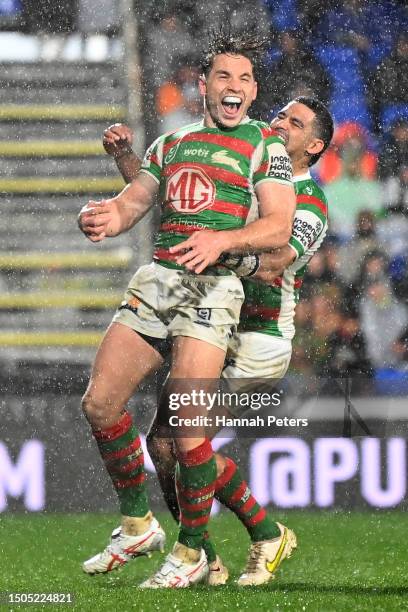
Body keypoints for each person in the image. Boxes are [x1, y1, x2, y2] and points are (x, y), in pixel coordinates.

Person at [78, 29, 296, 589]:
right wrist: (106, 215)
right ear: (204, 85)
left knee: (187, 434)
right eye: (225, 76)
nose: (235, 87)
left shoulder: (265, 146)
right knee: (100, 404)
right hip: (158, 282)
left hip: (214, 290)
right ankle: (137, 523)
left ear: (252, 91)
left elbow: (278, 227)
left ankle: (193, 550)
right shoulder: (173, 142)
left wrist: (222, 241)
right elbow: (135, 201)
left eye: (245, 79)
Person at [101, 95, 333, 586]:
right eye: (280, 114)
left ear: (313, 146)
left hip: (254, 339)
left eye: (294, 123)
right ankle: (205, 551)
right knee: (165, 447)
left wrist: (220, 246)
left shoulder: (308, 202)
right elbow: (181, 210)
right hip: (208, 321)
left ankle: (257, 534)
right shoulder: (253, 173)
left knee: (183, 443)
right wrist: (129, 163)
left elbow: (273, 263)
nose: (279, 123)